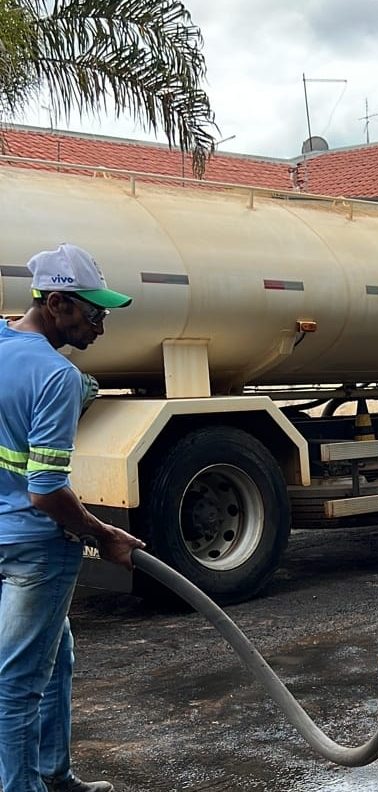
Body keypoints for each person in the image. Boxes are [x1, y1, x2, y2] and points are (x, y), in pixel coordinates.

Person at [0, 244, 145, 792]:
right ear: (56, 303)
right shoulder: (56, 377)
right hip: (36, 549)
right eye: (94, 312)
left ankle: (54, 776)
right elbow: (45, 491)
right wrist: (102, 533)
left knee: (54, 658)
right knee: (18, 683)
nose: (101, 326)